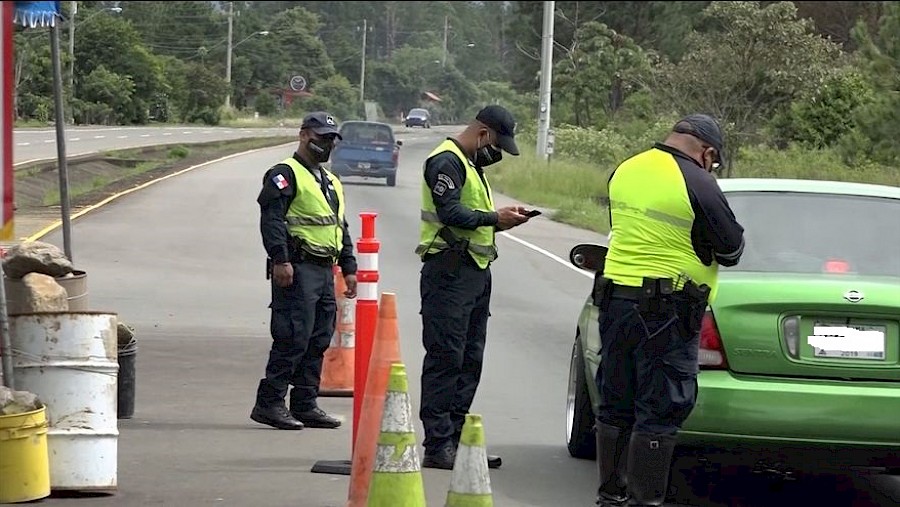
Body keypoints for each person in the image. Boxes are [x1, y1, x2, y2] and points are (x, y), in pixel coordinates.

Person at [591, 114, 745, 506]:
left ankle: (610, 496)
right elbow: (730, 249)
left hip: (615, 302)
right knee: (660, 407)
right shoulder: (697, 180)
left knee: (616, 400)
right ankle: (646, 501)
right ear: (707, 152)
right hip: (667, 311)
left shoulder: (625, 169)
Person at [415, 105, 533, 470]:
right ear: (483, 133)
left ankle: (457, 437)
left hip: (474, 273)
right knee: (445, 358)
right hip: (448, 273)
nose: (496, 152)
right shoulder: (446, 161)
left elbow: (475, 219)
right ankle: (438, 444)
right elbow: (450, 212)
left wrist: (502, 221)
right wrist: (493, 217)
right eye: (496, 143)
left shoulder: (471, 166)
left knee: (470, 359)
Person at [251, 111, 358, 431]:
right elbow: (272, 220)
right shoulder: (284, 174)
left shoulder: (331, 181)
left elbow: (341, 227)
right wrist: (280, 259)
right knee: (292, 337)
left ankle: (305, 403)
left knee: (319, 337)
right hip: (297, 268)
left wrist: (349, 266)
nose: (326, 145)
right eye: (321, 138)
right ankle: (269, 402)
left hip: (325, 270)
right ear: (303, 135)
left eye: (331, 140)